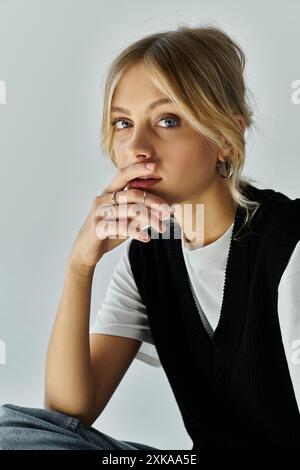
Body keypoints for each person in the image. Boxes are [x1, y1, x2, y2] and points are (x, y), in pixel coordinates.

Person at [1, 23, 300, 451]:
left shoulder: (288, 243)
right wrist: (80, 264)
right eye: (123, 123)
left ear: (224, 139)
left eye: (167, 119)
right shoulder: (151, 252)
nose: (137, 146)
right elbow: (68, 415)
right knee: (12, 431)